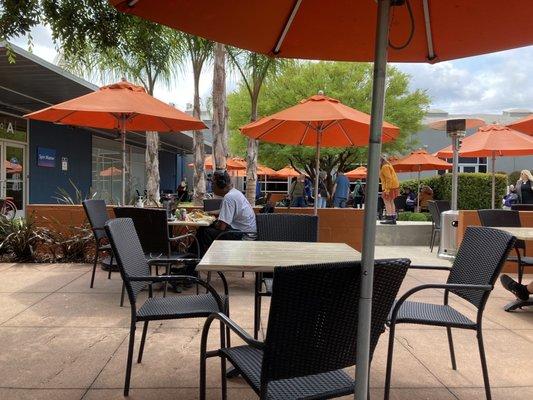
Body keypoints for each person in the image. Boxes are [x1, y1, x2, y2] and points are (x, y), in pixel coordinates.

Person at [194, 170, 256, 256]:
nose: (211, 186)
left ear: (221, 185)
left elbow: (221, 227)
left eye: (213, 184)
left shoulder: (229, 197)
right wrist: (207, 214)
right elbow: (225, 212)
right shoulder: (235, 193)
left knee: (205, 232)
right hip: (248, 232)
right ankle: (193, 259)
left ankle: (196, 260)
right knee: (203, 229)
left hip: (243, 236)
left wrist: (214, 223)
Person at [379, 156, 400, 224]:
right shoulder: (388, 165)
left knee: (387, 202)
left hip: (389, 187)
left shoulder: (384, 167)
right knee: (391, 201)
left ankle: (389, 218)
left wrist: (386, 190)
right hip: (393, 186)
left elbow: (388, 179)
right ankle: (393, 218)